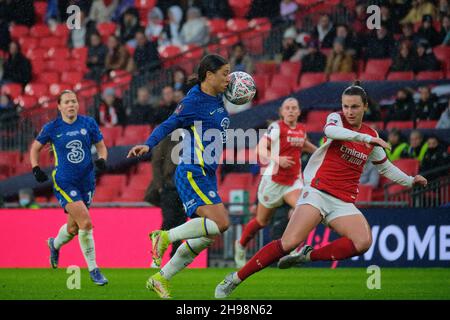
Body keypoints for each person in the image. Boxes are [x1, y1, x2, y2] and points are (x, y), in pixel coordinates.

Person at [215, 82, 427, 298]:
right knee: (287, 243)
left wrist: (410, 181)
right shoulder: (338, 120)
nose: (349, 111)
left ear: (365, 106)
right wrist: (364, 138)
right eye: (346, 106)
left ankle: (308, 256)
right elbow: (330, 131)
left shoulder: (370, 135)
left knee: (363, 242)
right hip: (317, 192)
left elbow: (385, 167)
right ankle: (235, 279)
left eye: (354, 107)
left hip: (342, 202)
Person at [127, 54, 231, 299]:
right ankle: (163, 236)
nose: (229, 78)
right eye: (225, 73)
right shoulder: (193, 101)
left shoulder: (216, 98)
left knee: (208, 235)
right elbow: (168, 124)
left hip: (207, 173)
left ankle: (160, 278)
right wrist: (149, 144)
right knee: (221, 223)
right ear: (209, 75)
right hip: (192, 170)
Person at [29, 90, 108, 285]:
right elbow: (35, 148)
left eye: (74, 101)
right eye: (67, 102)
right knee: (86, 223)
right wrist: (36, 168)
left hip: (87, 180)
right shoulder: (52, 127)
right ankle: (94, 270)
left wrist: (102, 160)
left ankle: (54, 244)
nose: (71, 104)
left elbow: (101, 146)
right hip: (65, 181)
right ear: (59, 106)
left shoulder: (88, 123)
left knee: (73, 228)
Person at [234, 97, 317, 268]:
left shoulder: (301, 129)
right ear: (282, 112)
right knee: (261, 222)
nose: (291, 111)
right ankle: (241, 245)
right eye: (287, 108)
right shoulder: (276, 127)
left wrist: (321, 153)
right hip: (273, 182)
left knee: (302, 209)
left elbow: (304, 145)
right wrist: (277, 158)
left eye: (294, 108)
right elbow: (260, 148)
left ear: (299, 111)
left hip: (293, 182)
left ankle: (293, 249)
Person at [145, 132, 186, 259]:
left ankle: (175, 255)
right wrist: (160, 187)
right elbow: (156, 163)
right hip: (169, 188)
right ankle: (157, 251)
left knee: (181, 222)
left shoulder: (192, 141)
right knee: (169, 220)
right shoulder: (167, 140)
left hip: (184, 189)